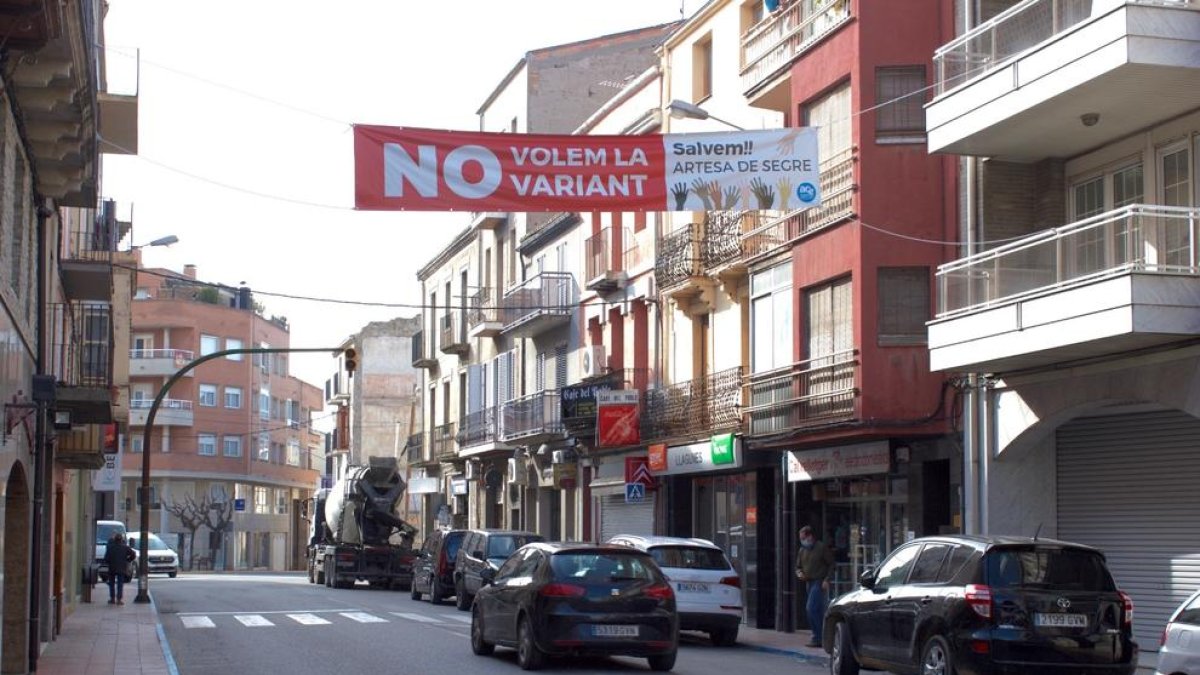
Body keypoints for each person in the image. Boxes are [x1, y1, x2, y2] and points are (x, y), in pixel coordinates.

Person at [795, 525, 834, 648]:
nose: (802, 541)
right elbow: (798, 567)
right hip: (808, 582)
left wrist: (827, 579)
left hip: (819, 581)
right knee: (816, 610)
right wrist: (799, 574)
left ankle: (818, 636)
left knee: (811, 608)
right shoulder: (802, 550)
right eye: (801, 538)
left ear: (810, 536)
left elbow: (832, 564)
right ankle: (820, 636)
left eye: (803, 538)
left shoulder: (821, 548)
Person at [104, 533, 136, 605]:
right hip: (121, 567)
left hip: (112, 568)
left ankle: (112, 599)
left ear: (114, 540)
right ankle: (119, 599)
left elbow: (106, 559)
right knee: (120, 583)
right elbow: (133, 554)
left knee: (111, 583)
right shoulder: (125, 547)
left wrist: (109, 562)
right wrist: (128, 560)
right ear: (121, 540)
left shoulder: (110, 548)